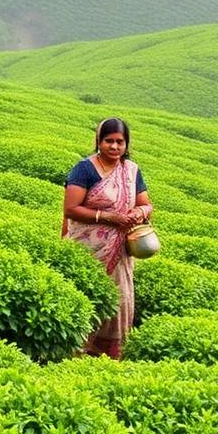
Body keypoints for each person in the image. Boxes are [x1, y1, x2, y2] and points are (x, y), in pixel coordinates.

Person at [62, 117, 153, 360]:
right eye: (109, 141)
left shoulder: (131, 171)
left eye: (119, 142)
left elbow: (146, 204)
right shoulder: (85, 168)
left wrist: (138, 212)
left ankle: (105, 357)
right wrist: (109, 217)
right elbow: (71, 208)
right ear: (99, 142)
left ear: (126, 144)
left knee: (117, 302)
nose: (114, 147)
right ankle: (73, 354)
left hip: (119, 252)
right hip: (87, 250)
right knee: (86, 299)